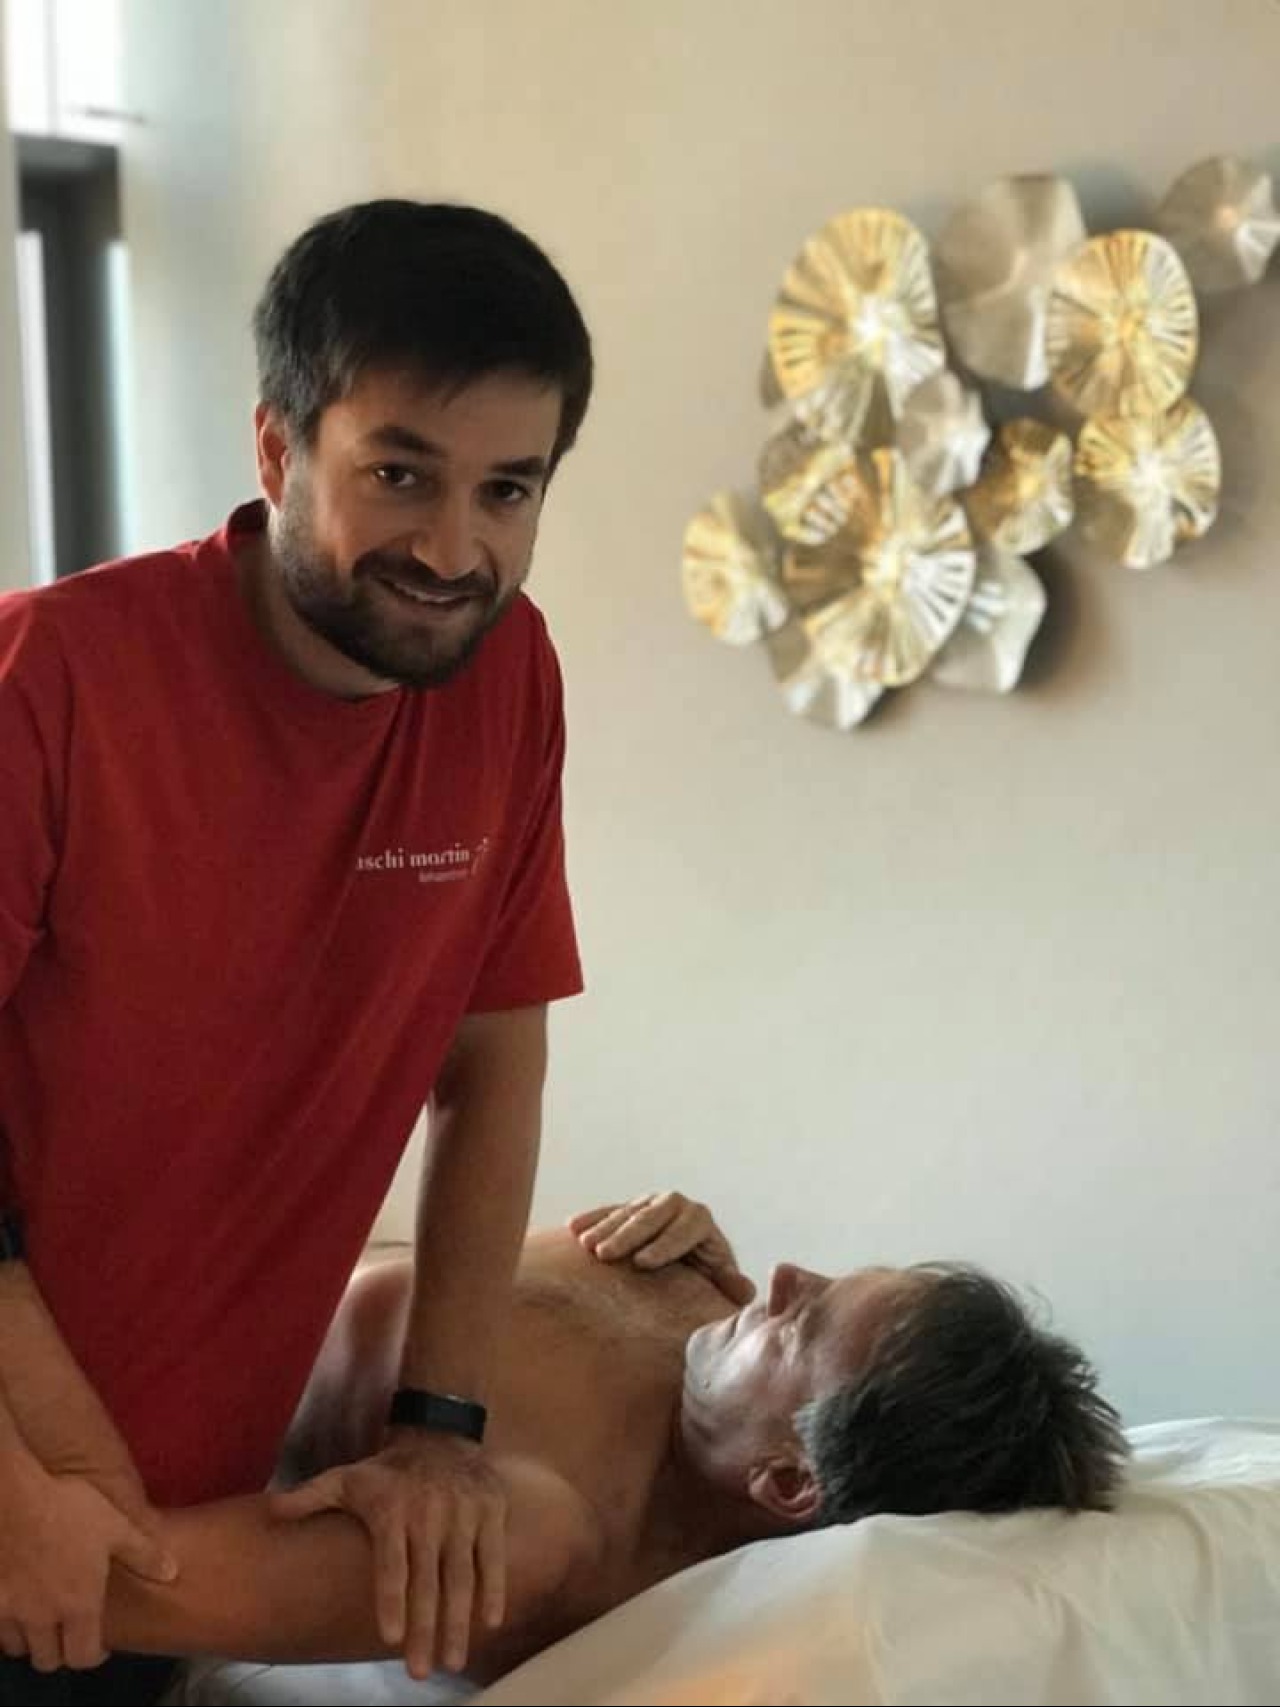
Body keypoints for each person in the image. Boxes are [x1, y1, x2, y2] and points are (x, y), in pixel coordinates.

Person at [0, 198, 594, 1705]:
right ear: (277, 449)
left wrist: (438, 1427)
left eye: (507, 489)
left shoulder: (509, 680)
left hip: (170, 1535)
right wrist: (32, 1471)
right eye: (401, 474)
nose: (453, 548)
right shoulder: (49, 675)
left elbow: (492, 1060)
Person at [73, 1189, 1127, 1695]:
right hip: (198, 1233)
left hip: (101, 1372)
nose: (781, 1276)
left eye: (802, 1321)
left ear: (787, 1482)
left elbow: (108, 1582)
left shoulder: (524, 1532)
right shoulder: (701, 1317)